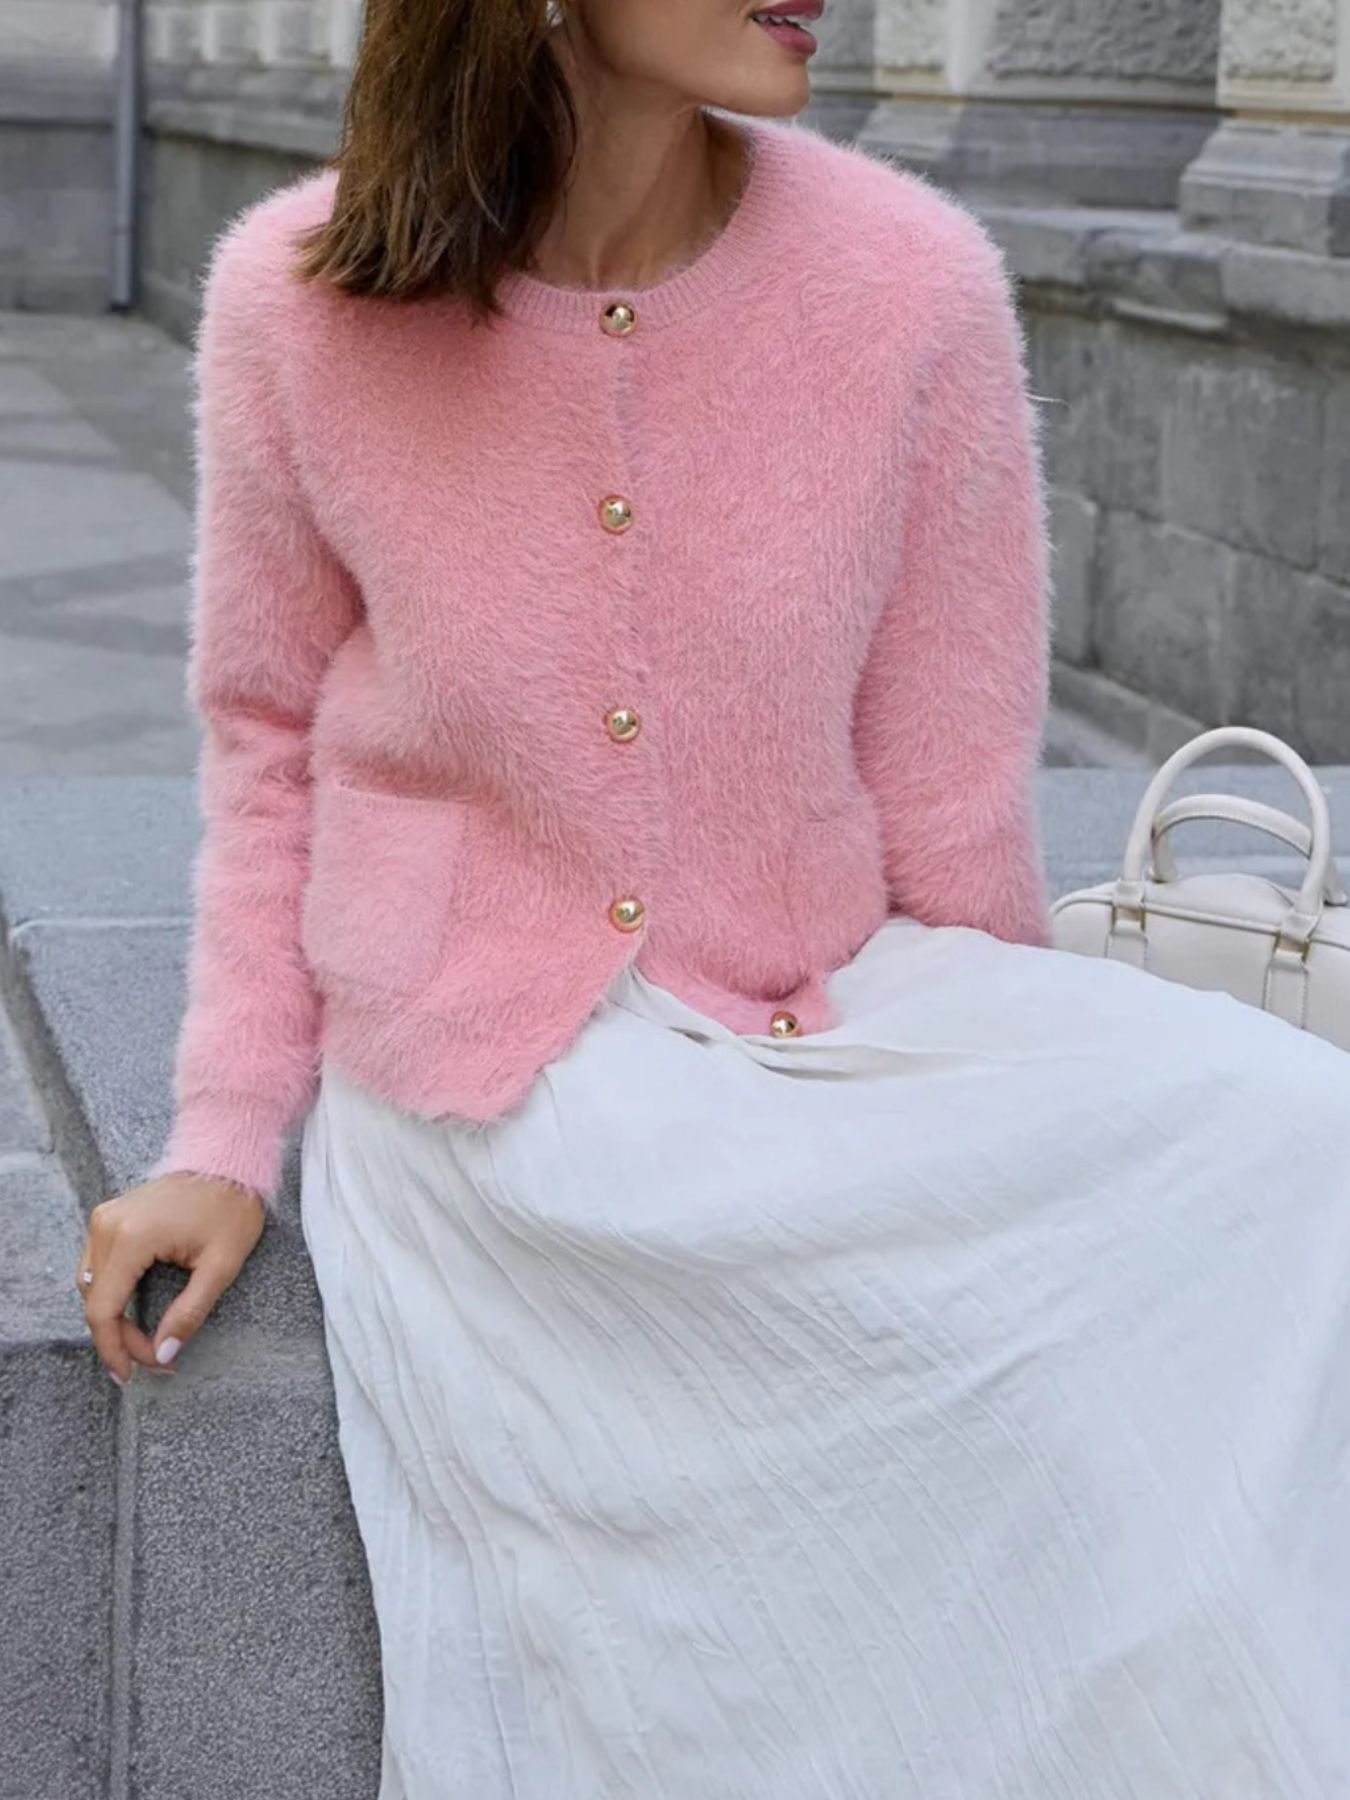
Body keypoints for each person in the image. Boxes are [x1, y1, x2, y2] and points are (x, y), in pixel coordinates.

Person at [77, 0, 1350, 1793]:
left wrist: (1013, 1103)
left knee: (1292, 1124)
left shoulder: (911, 285)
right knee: (704, 1233)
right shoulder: (298, 299)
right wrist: (223, 1137)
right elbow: (268, 743)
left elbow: (951, 778)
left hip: (829, 990)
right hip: (499, 1062)